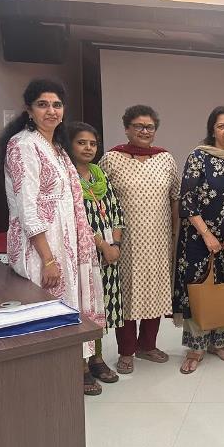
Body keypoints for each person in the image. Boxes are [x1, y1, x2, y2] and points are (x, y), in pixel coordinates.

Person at [0, 79, 105, 396]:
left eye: (57, 105)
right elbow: (27, 207)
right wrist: (48, 259)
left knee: (67, 306)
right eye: (43, 104)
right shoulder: (22, 145)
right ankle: (48, 383)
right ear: (29, 110)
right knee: (45, 310)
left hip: (65, 240)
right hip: (41, 245)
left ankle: (71, 370)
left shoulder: (56, 146)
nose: (51, 111)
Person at [173, 106, 224, 374]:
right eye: (222, 126)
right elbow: (187, 200)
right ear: (212, 130)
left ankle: (219, 342)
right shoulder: (198, 157)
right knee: (200, 286)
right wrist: (207, 235)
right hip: (199, 238)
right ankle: (196, 347)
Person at [99, 105, 180, 375]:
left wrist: (175, 234)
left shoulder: (165, 158)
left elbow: (175, 198)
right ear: (126, 129)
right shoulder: (111, 159)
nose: (145, 131)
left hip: (158, 239)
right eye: (138, 126)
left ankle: (148, 345)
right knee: (127, 295)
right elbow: (102, 202)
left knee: (155, 290)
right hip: (126, 241)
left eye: (150, 127)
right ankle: (126, 351)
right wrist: (108, 241)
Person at [67, 122, 124, 393]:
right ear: (69, 145)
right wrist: (103, 245)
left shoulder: (99, 175)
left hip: (108, 256)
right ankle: (80, 366)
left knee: (102, 307)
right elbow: (75, 221)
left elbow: (115, 211)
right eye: (81, 142)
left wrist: (115, 244)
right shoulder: (67, 177)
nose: (88, 148)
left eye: (92, 143)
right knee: (85, 308)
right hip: (84, 256)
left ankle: (97, 358)